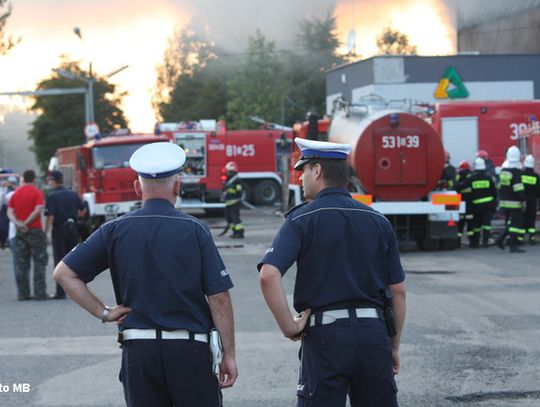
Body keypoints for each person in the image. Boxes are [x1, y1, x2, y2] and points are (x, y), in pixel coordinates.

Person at [54, 142, 237, 407]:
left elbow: (64, 273)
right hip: (190, 351)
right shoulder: (195, 230)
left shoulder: (113, 230)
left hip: (138, 352)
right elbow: (219, 297)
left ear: (137, 188)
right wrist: (228, 354)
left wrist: (103, 312)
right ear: (177, 186)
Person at [258, 138, 406, 407]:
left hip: (326, 338)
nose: (301, 179)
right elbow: (398, 291)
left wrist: (289, 327)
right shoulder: (379, 221)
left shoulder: (301, 219)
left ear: (317, 171)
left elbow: (269, 275)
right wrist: (393, 346)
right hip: (374, 335)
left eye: (302, 171)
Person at [7, 170, 49, 301]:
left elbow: (10, 212)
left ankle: (23, 293)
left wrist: (18, 223)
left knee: (21, 264)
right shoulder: (37, 192)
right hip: (35, 231)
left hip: (20, 232)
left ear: (23, 179)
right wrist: (26, 222)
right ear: (34, 179)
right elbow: (38, 210)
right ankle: (40, 293)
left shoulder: (15, 193)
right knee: (39, 262)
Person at [45, 170, 85, 299]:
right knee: (73, 259)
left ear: (54, 180)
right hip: (72, 227)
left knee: (60, 259)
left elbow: (50, 216)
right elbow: (82, 208)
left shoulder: (52, 196)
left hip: (59, 228)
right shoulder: (73, 193)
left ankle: (60, 292)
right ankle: (77, 291)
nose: (49, 182)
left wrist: (46, 232)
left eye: (50, 180)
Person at [495, 146, 526, 253]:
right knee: (516, 223)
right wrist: (523, 200)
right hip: (514, 202)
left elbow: (500, 187)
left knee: (511, 223)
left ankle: (500, 240)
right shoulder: (516, 172)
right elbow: (518, 188)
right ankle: (512, 246)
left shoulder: (503, 171)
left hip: (504, 201)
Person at [465, 157, 498, 248]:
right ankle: (485, 243)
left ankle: (475, 243)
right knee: (487, 225)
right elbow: (494, 193)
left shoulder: (471, 179)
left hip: (476, 207)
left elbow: (465, 190)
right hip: (488, 206)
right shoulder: (488, 178)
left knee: (476, 226)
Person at [222, 161, 244, 238]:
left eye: (228, 171)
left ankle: (240, 233)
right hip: (228, 202)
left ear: (232, 171)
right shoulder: (228, 179)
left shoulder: (237, 180)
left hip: (235, 202)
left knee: (235, 217)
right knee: (228, 217)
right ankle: (235, 232)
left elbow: (239, 190)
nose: (227, 173)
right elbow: (223, 189)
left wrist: (233, 186)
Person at [521, 154, 540, 245]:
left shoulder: (521, 175)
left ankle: (521, 238)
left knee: (522, 218)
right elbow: (538, 190)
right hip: (532, 200)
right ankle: (532, 239)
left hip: (523, 200)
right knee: (531, 219)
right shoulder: (536, 176)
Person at [455, 161, 473, 247]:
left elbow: (455, 188)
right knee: (471, 224)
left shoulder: (458, 176)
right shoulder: (471, 177)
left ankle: (458, 242)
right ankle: (472, 243)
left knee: (460, 224)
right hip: (470, 203)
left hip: (460, 202)